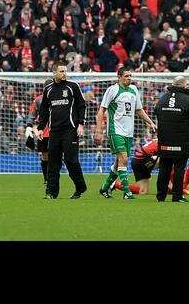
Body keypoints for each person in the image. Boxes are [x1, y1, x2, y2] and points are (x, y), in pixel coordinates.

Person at [94, 66, 157, 200]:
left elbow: (139, 110)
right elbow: (101, 111)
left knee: (119, 162)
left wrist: (150, 123)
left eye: (130, 76)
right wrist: (99, 131)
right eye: (126, 76)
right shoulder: (112, 90)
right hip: (115, 130)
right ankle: (127, 192)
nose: (129, 78)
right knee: (124, 158)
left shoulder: (134, 90)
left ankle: (105, 188)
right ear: (119, 77)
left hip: (129, 132)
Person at [36, 62, 89, 199]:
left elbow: (82, 105)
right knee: (53, 162)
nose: (64, 74)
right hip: (54, 131)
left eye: (65, 71)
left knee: (71, 161)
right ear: (54, 73)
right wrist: (41, 128)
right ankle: (51, 193)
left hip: (70, 130)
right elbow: (44, 110)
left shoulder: (73, 87)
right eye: (61, 71)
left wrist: (81, 124)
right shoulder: (48, 89)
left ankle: (80, 188)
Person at [153, 76, 189, 202]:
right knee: (179, 167)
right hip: (181, 139)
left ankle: (160, 196)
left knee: (164, 168)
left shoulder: (163, 98)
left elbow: (156, 111)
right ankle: (177, 196)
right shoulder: (187, 100)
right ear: (184, 86)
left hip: (164, 140)